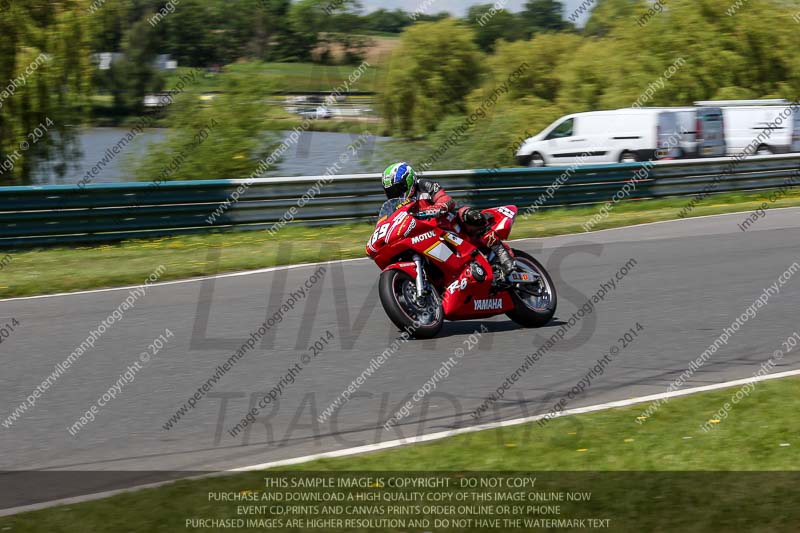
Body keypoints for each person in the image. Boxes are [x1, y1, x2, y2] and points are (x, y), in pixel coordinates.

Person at [381, 162, 516, 278]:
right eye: (391, 192)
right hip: (424, 237)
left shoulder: (424, 185)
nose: (396, 194)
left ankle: (502, 253)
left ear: (409, 181)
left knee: (466, 213)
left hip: (450, 227)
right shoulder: (397, 207)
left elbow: (446, 199)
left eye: (398, 189)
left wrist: (436, 208)